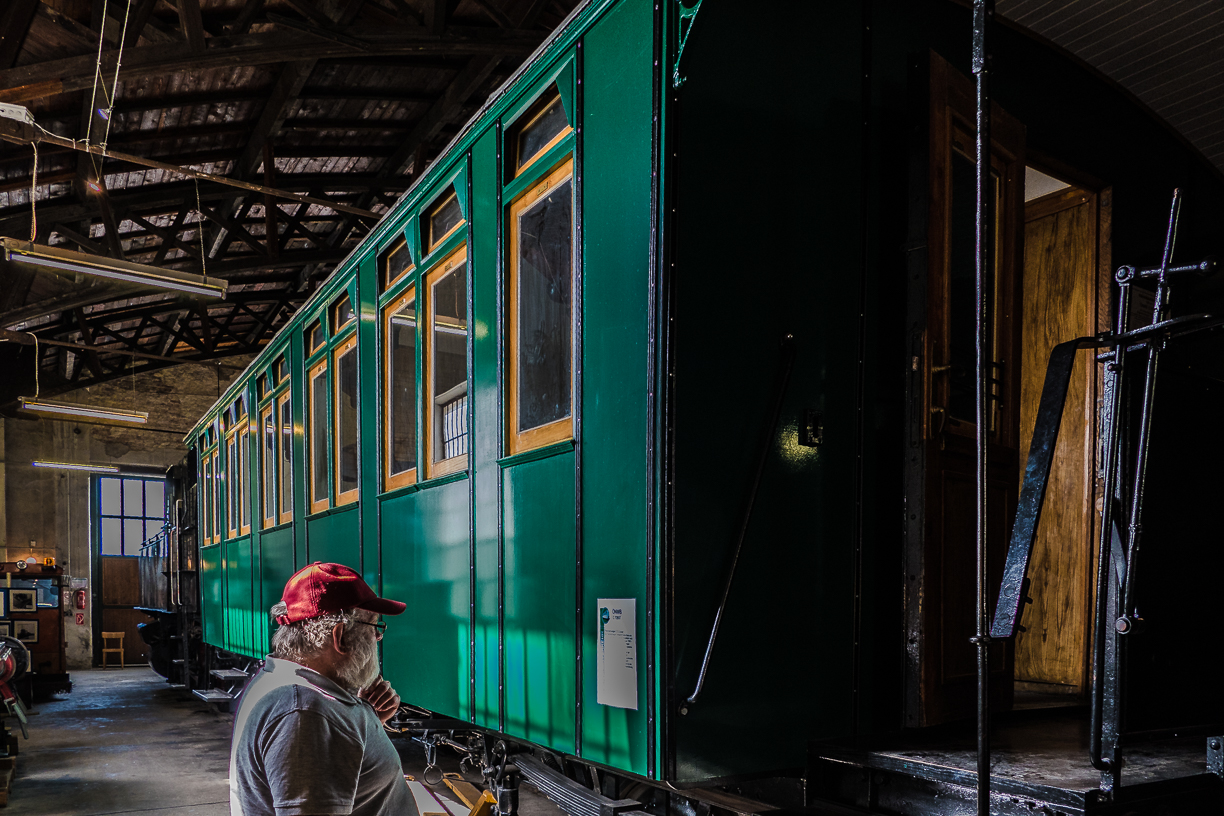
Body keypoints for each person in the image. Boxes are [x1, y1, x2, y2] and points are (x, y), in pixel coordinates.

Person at [229, 562, 420, 816]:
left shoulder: (280, 680)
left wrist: (363, 719)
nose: (377, 638)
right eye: (375, 627)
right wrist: (342, 721)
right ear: (339, 637)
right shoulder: (306, 713)